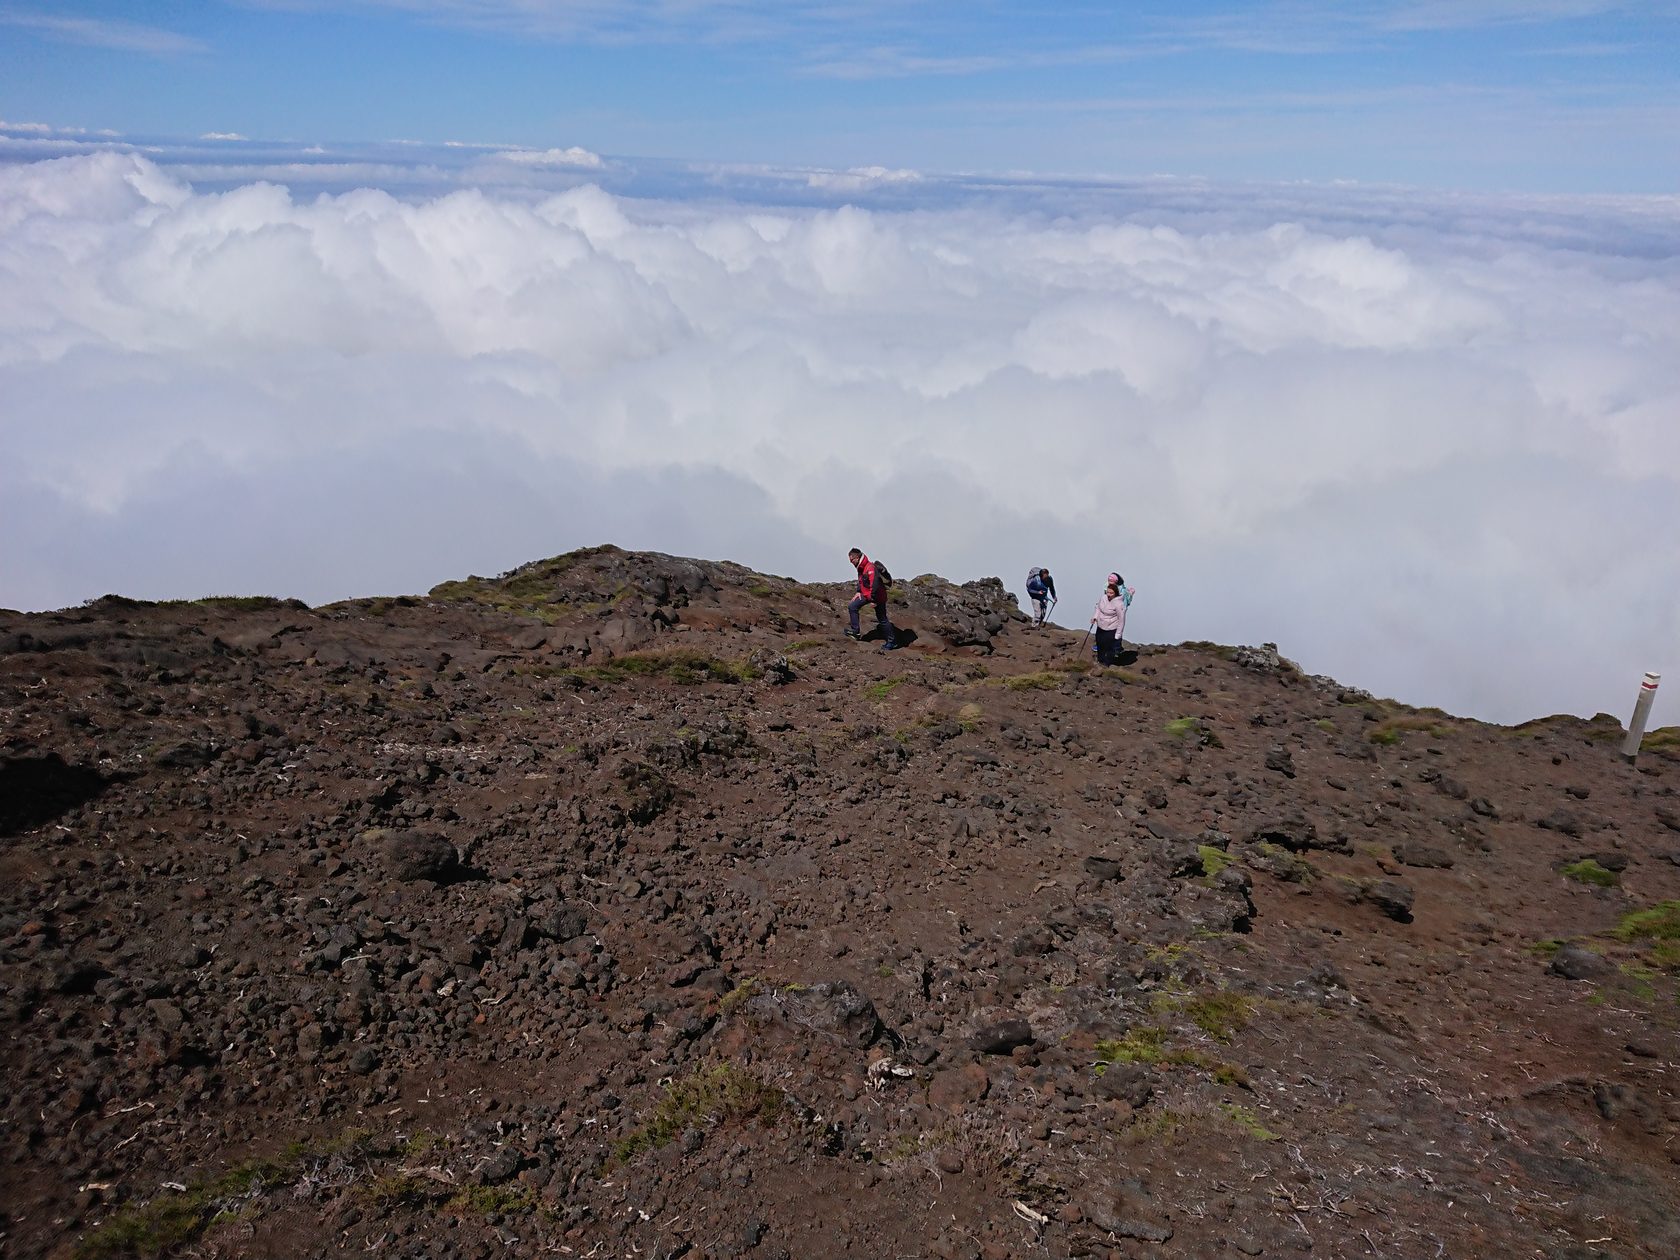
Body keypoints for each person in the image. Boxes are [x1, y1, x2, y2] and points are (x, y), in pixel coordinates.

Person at [846, 547, 899, 650]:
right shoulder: (860, 567)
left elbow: (874, 584)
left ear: (857, 557)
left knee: (882, 619)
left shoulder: (870, 567)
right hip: (866, 594)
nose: (851, 562)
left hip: (877, 597)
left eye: (852, 560)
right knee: (852, 606)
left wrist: (874, 600)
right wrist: (858, 591)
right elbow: (861, 580)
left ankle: (892, 642)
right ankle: (855, 632)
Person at [1090, 574, 1133, 665]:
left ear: (1115, 593)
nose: (1108, 594)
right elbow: (1098, 607)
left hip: (1111, 628)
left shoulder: (1119, 603)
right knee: (1100, 643)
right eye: (1107, 592)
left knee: (1109, 647)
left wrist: (1118, 634)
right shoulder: (1103, 598)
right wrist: (1095, 617)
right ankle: (1100, 660)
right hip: (1101, 626)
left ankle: (1107, 663)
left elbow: (1121, 620)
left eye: (1111, 593)